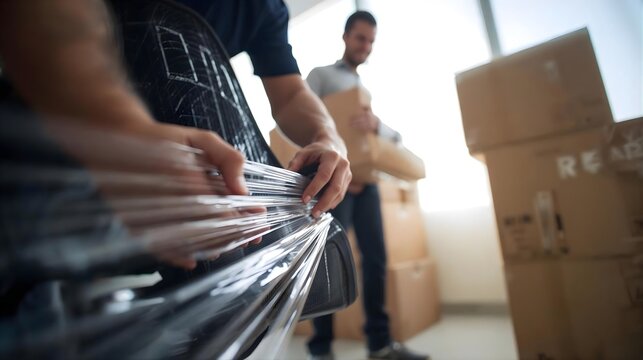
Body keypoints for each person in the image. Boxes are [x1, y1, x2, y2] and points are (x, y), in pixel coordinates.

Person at [0, 0, 351, 245]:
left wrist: (329, 137)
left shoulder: (262, 8)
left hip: (170, 178)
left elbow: (289, 94)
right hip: (44, 149)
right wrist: (124, 131)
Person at [305, 11, 429, 360]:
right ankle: (321, 349)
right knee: (327, 260)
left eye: (371, 41)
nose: (366, 46)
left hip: (368, 185)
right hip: (334, 181)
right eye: (361, 38)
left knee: (375, 260)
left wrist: (376, 125)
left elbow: (396, 139)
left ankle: (379, 344)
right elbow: (301, 123)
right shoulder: (322, 76)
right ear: (346, 36)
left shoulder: (365, 91)